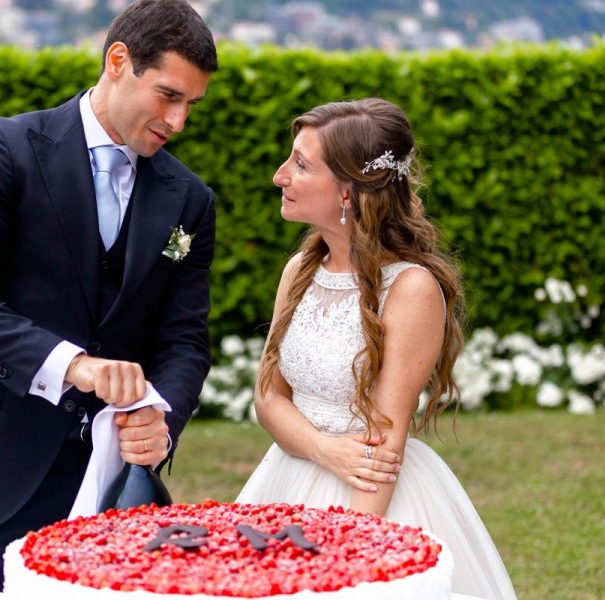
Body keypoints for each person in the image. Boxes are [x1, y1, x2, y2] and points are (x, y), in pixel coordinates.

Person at [0, 0, 218, 590]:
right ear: (117, 61)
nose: (178, 123)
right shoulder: (4, 148)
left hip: (112, 480)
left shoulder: (190, 200)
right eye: (169, 96)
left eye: (191, 105)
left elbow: (184, 339)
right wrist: (73, 365)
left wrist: (162, 417)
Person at [236, 98, 517, 599]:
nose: (280, 175)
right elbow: (267, 397)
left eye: (300, 164)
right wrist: (323, 450)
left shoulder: (410, 289)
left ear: (348, 190)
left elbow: (384, 444)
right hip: (286, 482)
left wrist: (346, 558)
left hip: (370, 500)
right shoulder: (298, 270)